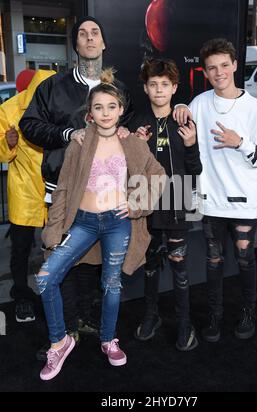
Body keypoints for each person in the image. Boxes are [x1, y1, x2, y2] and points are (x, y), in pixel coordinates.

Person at [35, 71, 165, 381]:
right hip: (83, 222)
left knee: (111, 283)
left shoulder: (131, 142)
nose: (105, 113)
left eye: (111, 107)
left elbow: (158, 175)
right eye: (98, 107)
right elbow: (64, 189)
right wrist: (53, 232)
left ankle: (108, 339)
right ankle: (60, 342)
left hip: (117, 223)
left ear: (121, 110)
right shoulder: (79, 143)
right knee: (44, 279)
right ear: (89, 113)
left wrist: (136, 205)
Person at [19, 16, 134, 358]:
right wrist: (68, 134)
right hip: (62, 190)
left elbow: (131, 132)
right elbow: (29, 125)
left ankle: (85, 320)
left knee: (93, 263)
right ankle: (63, 330)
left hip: (105, 197)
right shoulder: (52, 87)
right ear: (76, 45)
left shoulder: (119, 91)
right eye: (82, 34)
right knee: (58, 258)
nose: (88, 38)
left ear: (103, 43)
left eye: (94, 32)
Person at [173, 38, 257, 342]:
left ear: (234, 65)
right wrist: (178, 105)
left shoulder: (255, 108)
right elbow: (182, 128)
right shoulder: (199, 104)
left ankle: (248, 311)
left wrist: (239, 142)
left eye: (224, 66)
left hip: (244, 203)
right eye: (212, 68)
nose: (219, 73)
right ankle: (215, 316)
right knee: (213, 262)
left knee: (245, 259)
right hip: (211, 202)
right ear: (205, 71)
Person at [129, 59, 202, 351]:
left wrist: (191, 143)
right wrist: (137, 146)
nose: (159, 90)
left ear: (174, 88)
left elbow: (195, 169)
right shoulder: (136, 123)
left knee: (180, 265)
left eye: (165, 85)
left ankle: (184, 322)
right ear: (146, 88)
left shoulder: (185, 120)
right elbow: (129, 170)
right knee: (149, 266)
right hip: (145, 199)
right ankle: (151, 315)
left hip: (180, 196)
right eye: (153, 84)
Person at [0, 69, 55, 322]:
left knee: (58, 248)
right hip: (24, 190)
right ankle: (21, 296)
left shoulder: (61, 105)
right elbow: (3, 155)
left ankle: (57, 295)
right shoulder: (9, 109)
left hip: (56, 191)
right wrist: (8, 144)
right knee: (20, 249)